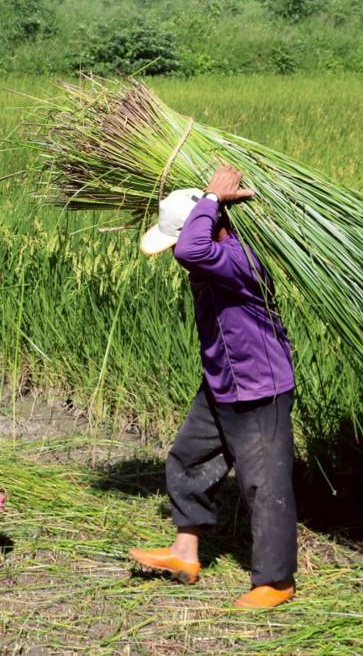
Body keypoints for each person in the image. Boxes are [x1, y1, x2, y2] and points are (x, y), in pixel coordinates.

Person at [128, 165, 298, 609]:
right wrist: (209, 205)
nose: (172, 254)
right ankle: (185, 553)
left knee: (265, 484)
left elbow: (191, 250)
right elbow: (191, 249)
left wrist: (211, 199)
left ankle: (277, 581)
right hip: (222, 381)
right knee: (189, 457)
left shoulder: (237, 259)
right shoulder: (210, 254)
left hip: (261, 386)